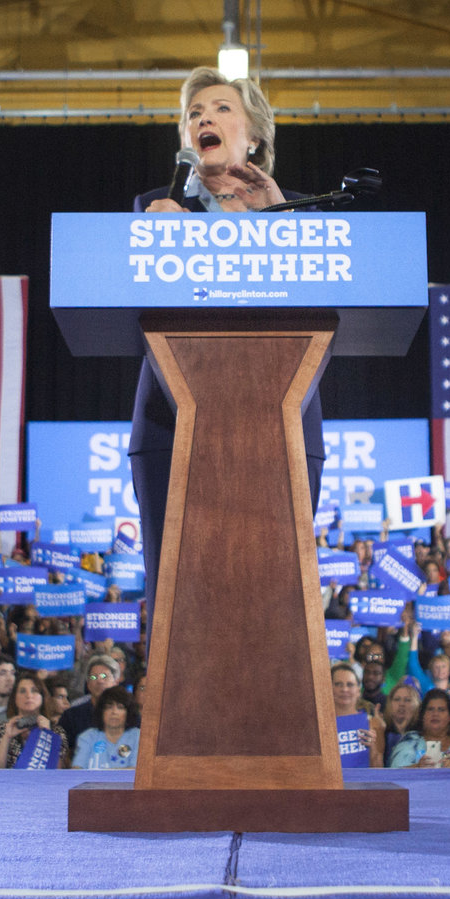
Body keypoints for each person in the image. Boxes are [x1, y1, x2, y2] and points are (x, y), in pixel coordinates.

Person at [127, 68, 323, 592]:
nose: (203, 118)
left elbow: (323, 302)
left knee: (276, 589)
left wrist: (278, 220)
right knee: (177, 589)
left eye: (220, 109)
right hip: (172, 424)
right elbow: (129, 305)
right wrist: (156, 246)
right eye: (194, 114)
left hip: (282, 420)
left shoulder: (301, 212)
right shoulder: (154, 209)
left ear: (254, 136)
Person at [387, 688, 450, 768]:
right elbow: (395, 771)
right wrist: (417, 767)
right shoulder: (411, 740)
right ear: (423, 716)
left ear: (449, 717)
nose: (435, 714)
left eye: (441, 710)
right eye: (430, 709)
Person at [0, 675, 65, 770]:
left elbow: (57, 771)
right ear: (14, 698)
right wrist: (6, 737)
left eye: (34, 691)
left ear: (42, 697)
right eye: (22, 691)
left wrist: (47, 735)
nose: (29, 696)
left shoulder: (56, 731)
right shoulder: (0, 730)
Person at [72, 687, 141, 769]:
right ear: (101, 712)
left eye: (120, 707)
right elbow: (77, 770)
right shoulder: (87, 737)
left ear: (128, 712)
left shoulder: (138, 736)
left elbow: (137, 772)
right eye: (109, 707)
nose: (114, 712)